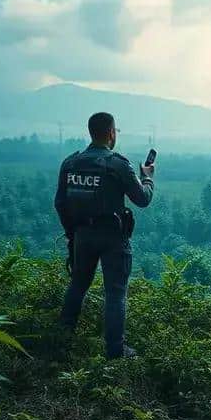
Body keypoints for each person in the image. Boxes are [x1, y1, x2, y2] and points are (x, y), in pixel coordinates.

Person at [54, 112, 155, 359]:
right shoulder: (118, 164)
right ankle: (115, 351)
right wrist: (148, 178)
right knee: (115, 293)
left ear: (91, 133)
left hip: (82, 235)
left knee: (78, 286)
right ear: (111, 133)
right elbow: (142, 199)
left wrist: (72, 234)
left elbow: (60, 203)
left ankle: (61, 340)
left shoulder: (71, 164)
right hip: (112, 237)